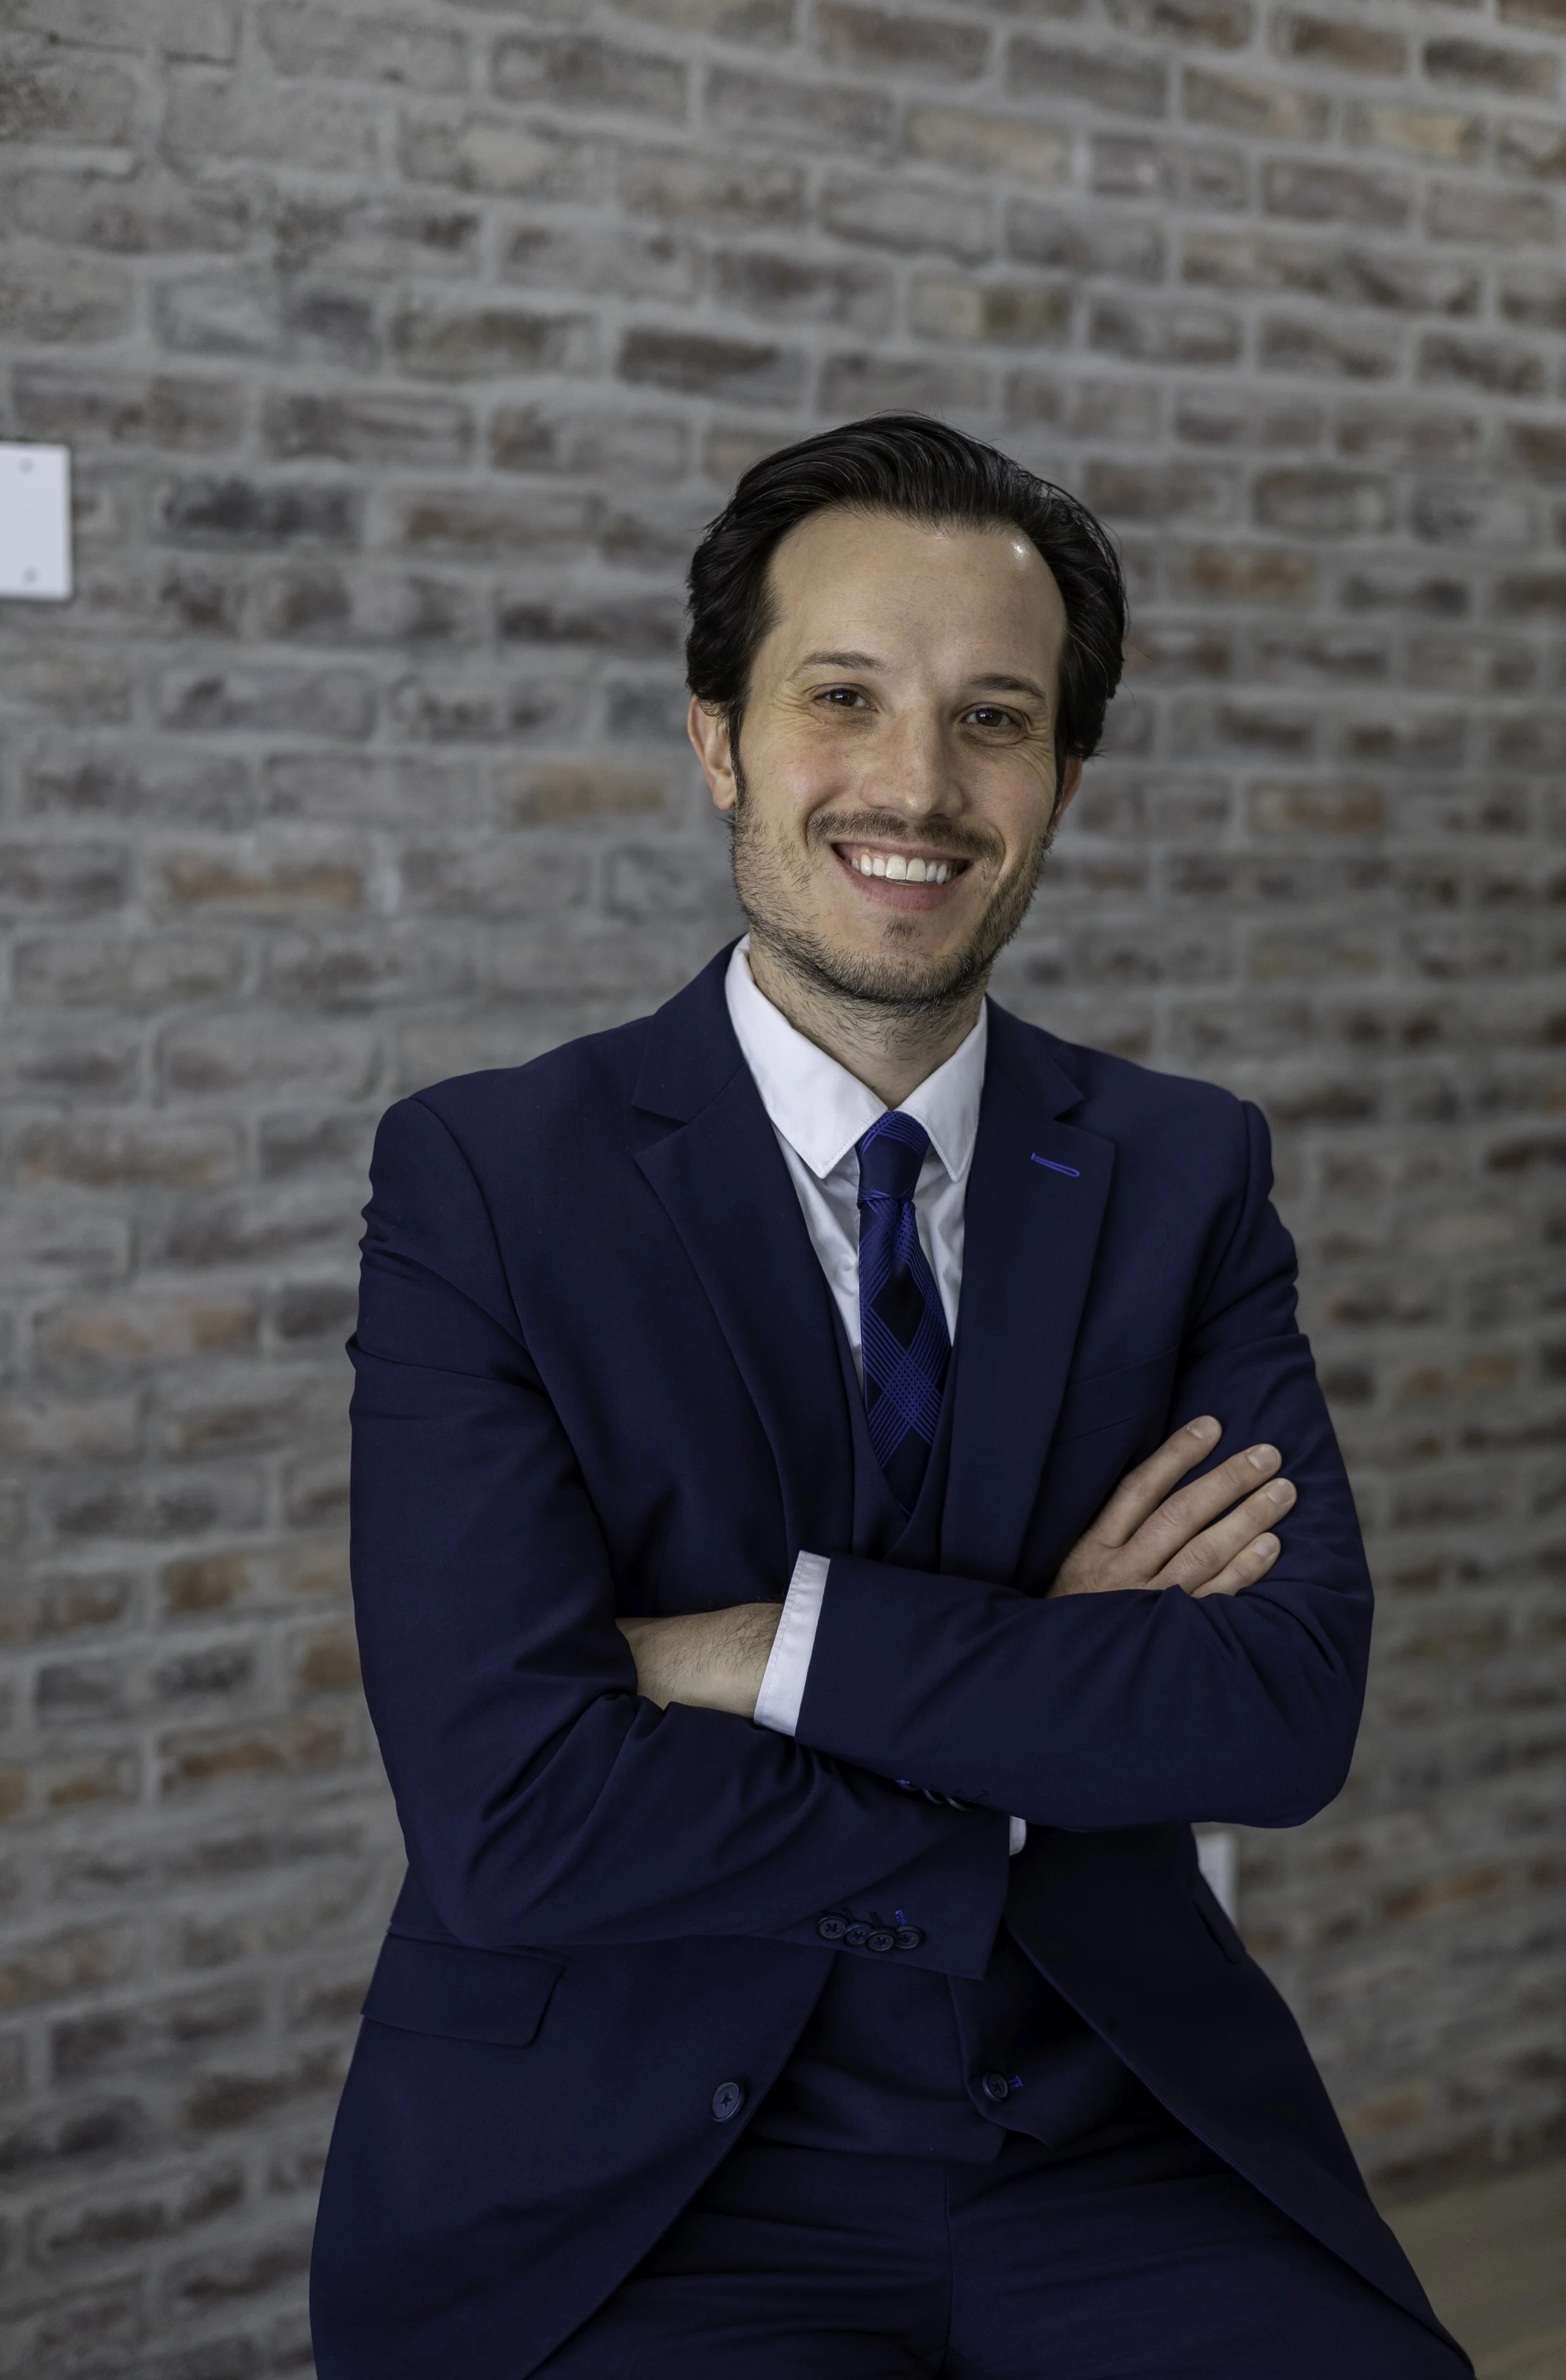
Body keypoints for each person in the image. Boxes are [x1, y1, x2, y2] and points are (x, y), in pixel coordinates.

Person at [309, 415, 1469, 2378]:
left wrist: (763, 1647)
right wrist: (1042, 1711)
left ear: (1064, 777)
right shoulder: (491, 1179)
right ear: (720, 739)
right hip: (633, 2181)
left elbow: (1278, 1712)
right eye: (841, 695)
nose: (914, 786)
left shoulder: (1183, 1172)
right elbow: (513, 1810)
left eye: (992, 718)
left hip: (1109, 2136)